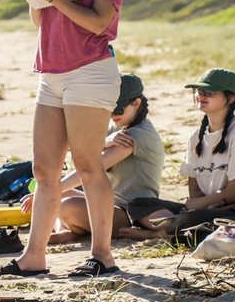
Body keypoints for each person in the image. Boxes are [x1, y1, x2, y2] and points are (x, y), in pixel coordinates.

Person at [0, 0, 129, 279]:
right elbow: (41, 23)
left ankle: (102, 256)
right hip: (51, 73)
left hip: (90, 71)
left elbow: (100, 23)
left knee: (87, 165)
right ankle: (34, 256)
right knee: (44, 168)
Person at [20, 73, 164, 243]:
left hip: (130, 213)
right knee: (62, 195)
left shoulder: (136, 136)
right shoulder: (117, 129)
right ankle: (67, 230)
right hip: (110, 203)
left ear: (136, 103)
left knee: (62, 202)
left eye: (118, 110)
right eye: (109, 109)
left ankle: (71, 229)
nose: (113, 116)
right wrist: (105, 142)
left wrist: (49, 191)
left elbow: (92, 166)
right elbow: (79, 159)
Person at [120, 68, 235, 241]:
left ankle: (159, 234)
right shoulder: (196, 137)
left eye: (209, 92)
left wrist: (196, 206)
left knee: (194, 218)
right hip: (205, 208)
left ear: (230, 98)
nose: (201, 96)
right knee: (138, 204)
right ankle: (178, 228)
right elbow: (194, 189)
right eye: (198, 91)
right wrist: (199, 204)